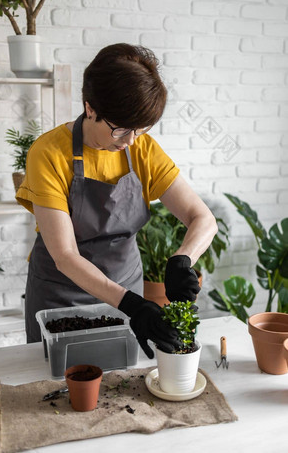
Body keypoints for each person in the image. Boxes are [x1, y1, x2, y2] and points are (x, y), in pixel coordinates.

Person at [16, 43, 218, 358]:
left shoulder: (141, 149)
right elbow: (66, 255)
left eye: (140, 129)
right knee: (54, 387)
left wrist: (183, 258)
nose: (129, 142)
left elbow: (203, 219)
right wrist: (131, 304)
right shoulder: (50, 153)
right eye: (120, 130)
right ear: (90, 108)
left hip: (127, 288)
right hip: (61, 297)